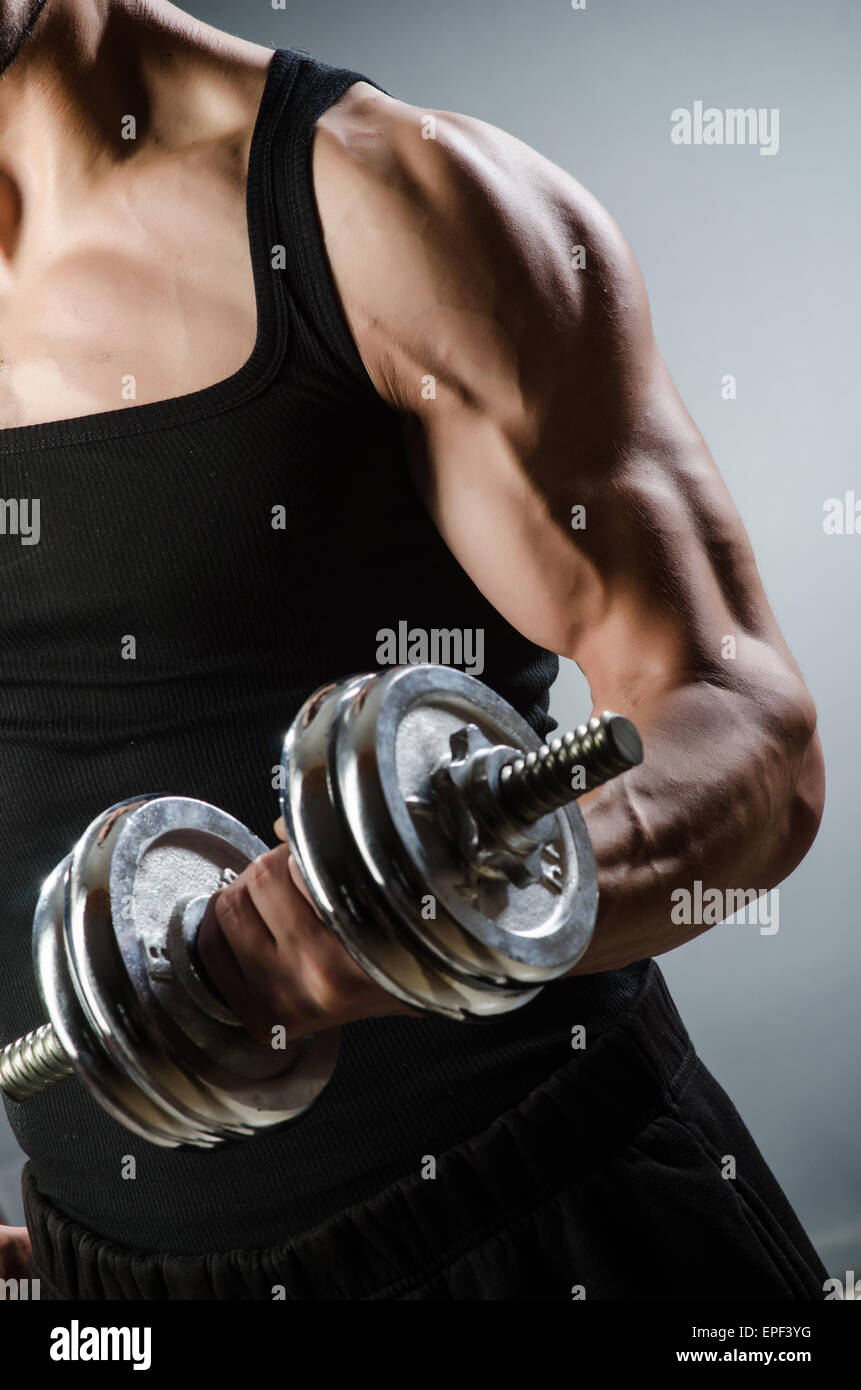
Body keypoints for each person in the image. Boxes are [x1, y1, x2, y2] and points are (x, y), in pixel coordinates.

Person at [0, 0, 827, 1300]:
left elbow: (748, 733)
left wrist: (418, 923)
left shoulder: (382, 203)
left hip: (535, 1222)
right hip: (113, 1289)